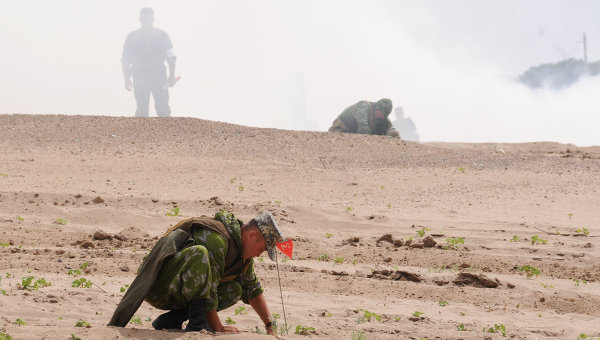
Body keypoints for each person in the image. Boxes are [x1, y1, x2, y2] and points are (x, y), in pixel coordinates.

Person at [108, 210, 285, 335]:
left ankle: (170, 320)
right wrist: (218, 327)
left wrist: (269, 325)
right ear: (251, 235)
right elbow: (208, 294)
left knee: (235, 290)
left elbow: (252, 289)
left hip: (180, 290)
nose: (259, 254)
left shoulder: (243, 256)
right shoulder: (218, 239)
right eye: (262, 249)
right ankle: (197, 323)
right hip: (157, 285)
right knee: (199, 254)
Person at [122, 7, 176, 117]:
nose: (147, 20)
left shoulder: (162, 36)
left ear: (153, 19)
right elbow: (125, 60)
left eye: (149, 18)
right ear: (140, 19)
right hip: (140, 78)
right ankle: (141, 134)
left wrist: (171, 76)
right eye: (145, 18)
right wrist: (126, 78)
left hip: (159, 79)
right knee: (142, 111)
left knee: (163, 111)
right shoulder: (132, 37)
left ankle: (167, 134)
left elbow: (171, 58)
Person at [328, 98, 400, 138]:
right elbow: (363, 128)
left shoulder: (383, 119)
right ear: (376, 108)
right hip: (339, 131)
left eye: (383, 115)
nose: (381, 117)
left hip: (353, 137)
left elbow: (392, 130)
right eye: (380, 113)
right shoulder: (364, 107)